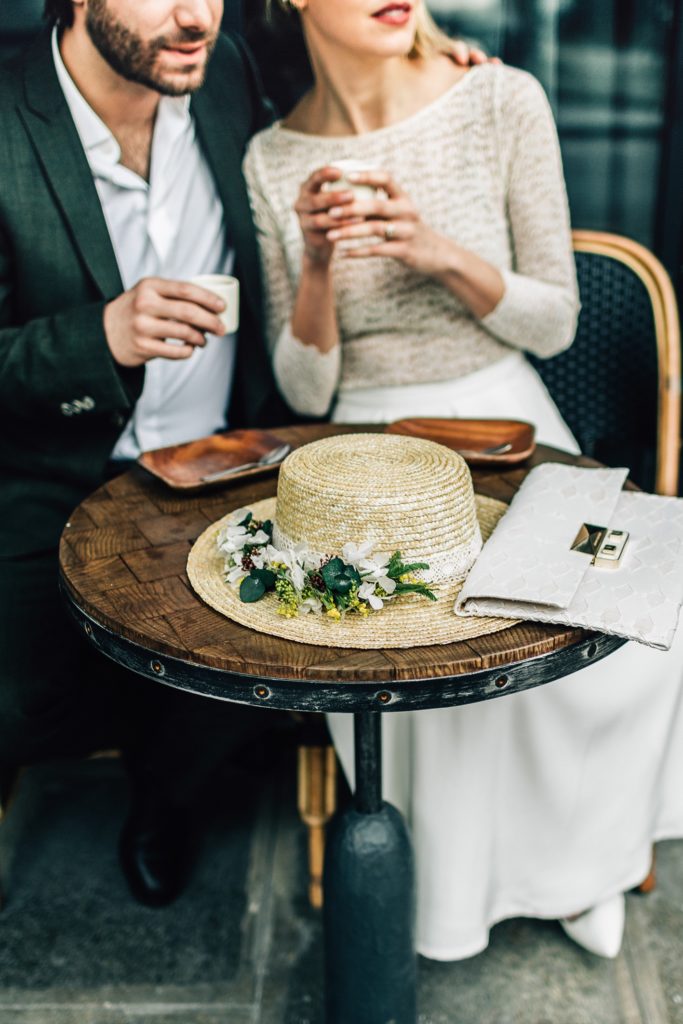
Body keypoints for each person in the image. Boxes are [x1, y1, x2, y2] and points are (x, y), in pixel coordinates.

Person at [243, 0, 683, 959]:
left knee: (621, 637)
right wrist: (316, 263)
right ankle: (451, 896)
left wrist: (429, 247)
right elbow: (306, 388)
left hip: (506, 414)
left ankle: (586, 865)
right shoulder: (272, 158)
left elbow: (553, 322)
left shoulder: (499, 99)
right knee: (419, 642)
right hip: (362, 442)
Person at [0, 0, 297, 908]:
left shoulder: (225, 70)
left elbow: (340, 67)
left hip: (221, 458)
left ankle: (164, 795)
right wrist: (101, 337)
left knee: (262, 658)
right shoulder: (9, 116)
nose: (194, 14)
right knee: (18, 697)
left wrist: (438, 62)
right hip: (48, 470)